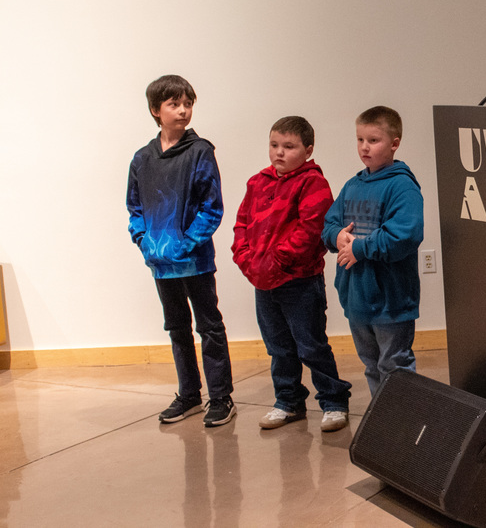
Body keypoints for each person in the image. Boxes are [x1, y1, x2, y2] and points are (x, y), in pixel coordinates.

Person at [126, 75, 236, 427]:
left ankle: (221, 397)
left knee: (210, 327)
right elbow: (135, 208)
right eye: (174, 104)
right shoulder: (142, 159)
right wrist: (144, 243)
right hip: (160, 264)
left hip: (196, 261)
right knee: (177, 328)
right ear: (156, 111)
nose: (183, 110)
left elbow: (211, 206)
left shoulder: (200, 151)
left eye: (188, 103)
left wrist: (186, 245)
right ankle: (189, 395)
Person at [232, 116, 352, 432]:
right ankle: (288, 402)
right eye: (274, 145)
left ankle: (334, 401)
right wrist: (247, 261)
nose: (279, 153)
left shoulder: (313, 183)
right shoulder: (257, 182)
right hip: (263, 282)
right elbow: (241, 225)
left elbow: (311, 230)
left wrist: (275, 262)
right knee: (278, 346)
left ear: (308, 150)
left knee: (310, 344)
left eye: (289, 146)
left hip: (299, 281)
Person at [322, 106, 424, 397]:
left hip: (391, 299)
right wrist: (337, 236)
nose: (364, 147)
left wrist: (361, 248)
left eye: (373, 140)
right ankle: (383, 421)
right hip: (357, 297)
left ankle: (403, 424)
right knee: (370, 364)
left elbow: (405, 235)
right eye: (359, 140)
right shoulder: (352, 185)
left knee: (395, 365)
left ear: (394, 143)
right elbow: (329, 224)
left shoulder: (402, 186)